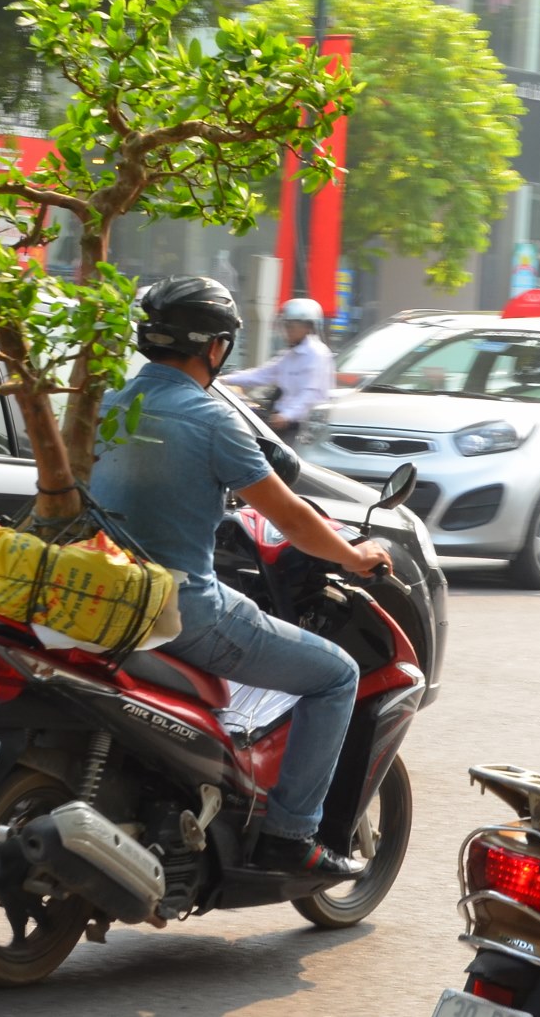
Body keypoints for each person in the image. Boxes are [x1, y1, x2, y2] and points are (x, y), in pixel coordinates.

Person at [94, 277, 392, 878]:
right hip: (178, 610)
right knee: (336, 675)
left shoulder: (108, 403)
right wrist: (356, 557)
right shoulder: (209, 418)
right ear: (216, 349)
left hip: (96, 596)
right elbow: (291, 517)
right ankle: (291, 834)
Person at [221, 296, 334, 443]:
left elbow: (310, 394)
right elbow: (261, 374)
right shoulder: (290, 355)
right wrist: (225, 379)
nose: (288, 331)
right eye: (286, 326)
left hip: (300, 428)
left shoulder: (317, 354)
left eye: (292, 326)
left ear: (308, 327)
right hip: (281, 419)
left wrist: (287, 415)